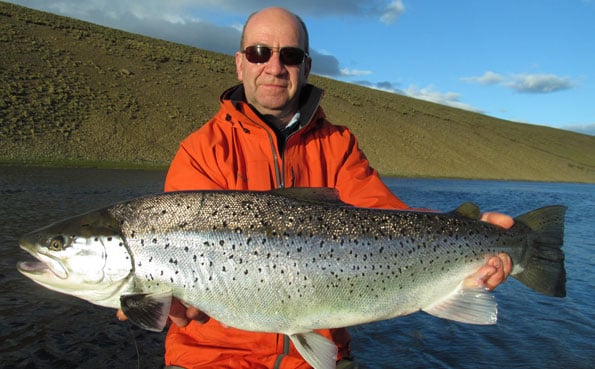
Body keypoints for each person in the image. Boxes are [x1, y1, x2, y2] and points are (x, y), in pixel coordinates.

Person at [118, 7, 513, 369]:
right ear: (240, 65)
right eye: (259, 53)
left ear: (306, 67)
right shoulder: (201, 150)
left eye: (289, 55)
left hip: (319, 357)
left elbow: (389, 219)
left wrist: (468, 232)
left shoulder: (338, 144)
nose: (274, 66)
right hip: (213, 358)